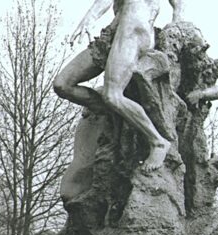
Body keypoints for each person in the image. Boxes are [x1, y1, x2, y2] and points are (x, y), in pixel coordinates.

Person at [53, 0, 185, 171]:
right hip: (114, 29)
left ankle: (158, 142)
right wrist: (88, 19)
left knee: (113, 95)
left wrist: (176, 21)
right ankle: (113, 113)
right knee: (62, 85)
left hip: (134, 25)